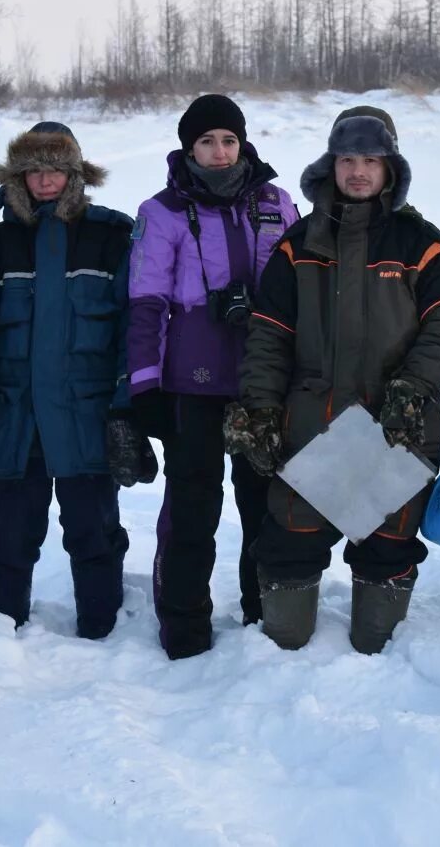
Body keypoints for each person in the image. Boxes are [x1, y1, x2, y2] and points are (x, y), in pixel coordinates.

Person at [227, 106, 440, 655]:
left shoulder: (419, 243)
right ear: (330, 165)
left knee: (388, 548)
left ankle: (379, 665)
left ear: (390, 167)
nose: (358, 171)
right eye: (347, 159)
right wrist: (260, 409)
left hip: (396, 428)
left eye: (370, 159)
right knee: (288, 543)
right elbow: (268, 335)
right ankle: (281, 662)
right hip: (312, 425)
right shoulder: (297, 245)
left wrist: (415, 386)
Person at [128, 94, 298, 659]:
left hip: (262, 382)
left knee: (264, 506)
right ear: (188, 147)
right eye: (207, 141)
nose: (220, 152)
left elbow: (300, 290)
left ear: (243, 142)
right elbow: (146, 302)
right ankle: (183, 626)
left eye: (229, 140)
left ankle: (263, 614)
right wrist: (146, 384)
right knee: (193, 510)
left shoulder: (277, 203)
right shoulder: (163, 212)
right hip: (191, 384)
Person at [0, 122, 138, 640]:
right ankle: (1, 627)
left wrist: (127, 402)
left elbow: (136, 326)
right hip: (15, 418)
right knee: (9, 531)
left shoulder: (113, 236)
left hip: (88, 415)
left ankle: (102, 627)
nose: (45, 180)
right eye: (34, 170)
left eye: (56, 169)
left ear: (76, 173)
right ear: (18, 176)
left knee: (94, 530)